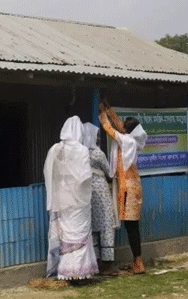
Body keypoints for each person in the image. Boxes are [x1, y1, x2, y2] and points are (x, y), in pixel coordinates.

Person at [44, 116, 99, 280]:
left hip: (62, 198)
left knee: (66, 234)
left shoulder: (55, 149)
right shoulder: (82, 150)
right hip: (79, 200)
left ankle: (66, 271)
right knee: (80, 231)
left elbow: (49, 173)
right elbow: (85, 176)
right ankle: (81, 271)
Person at [98, 100, 148, 274]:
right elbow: (120, 126)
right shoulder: (133, 139)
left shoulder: (127, 141)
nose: (122, 128)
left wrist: (103, 115)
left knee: (131, 226)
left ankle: (139, 262)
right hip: (133, 186)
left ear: (128, 131)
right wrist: (109, 109)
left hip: (129, 188)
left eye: (125, 127)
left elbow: (111, 130)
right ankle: (137, 261)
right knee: (132, 226)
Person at [81, 122, 117, 275]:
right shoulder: (98, 153)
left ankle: (95, 261)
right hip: (101, 191)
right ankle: (107, 264)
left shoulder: (80, 153)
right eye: (97, 135)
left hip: (86, 192)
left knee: (93, 226)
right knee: (106, 224)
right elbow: (110, 173)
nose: (99, 138)